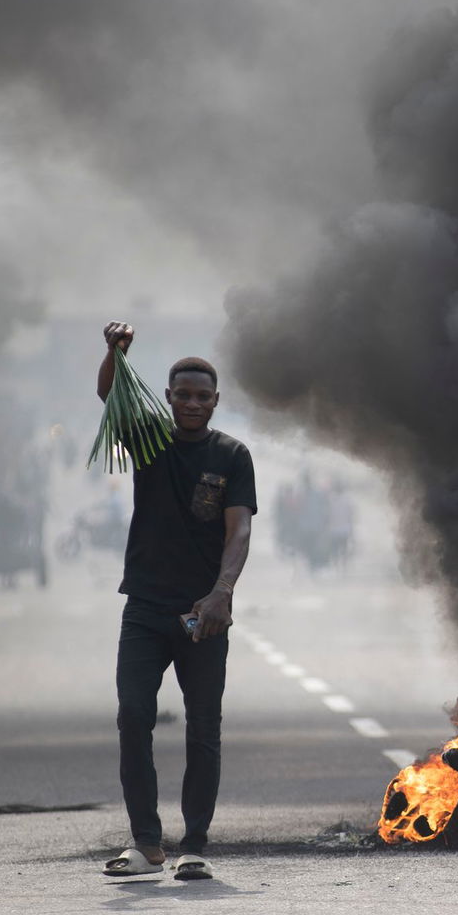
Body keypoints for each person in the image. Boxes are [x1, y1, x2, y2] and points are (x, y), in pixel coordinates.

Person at [96, 322, 256, 882]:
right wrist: (115, 353)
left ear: (215, 402)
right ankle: (146, 842)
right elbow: (107, 397)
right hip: (143, 607)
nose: (191, 403)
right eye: (182, 394)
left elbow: (237, 533)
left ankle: (194, 843)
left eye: (202, 396)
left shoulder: (233, 456)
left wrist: (221, 593)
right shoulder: (149, 441)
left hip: (202, 614)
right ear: (167, 398)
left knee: (202, 727)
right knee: (133, 715)